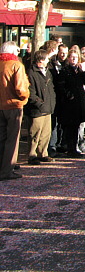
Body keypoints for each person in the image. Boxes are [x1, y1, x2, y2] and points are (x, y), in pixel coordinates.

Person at [0, 41, 30, 180]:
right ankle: (7, 169)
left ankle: (2, 166)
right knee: (12, 139)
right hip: (13, 105)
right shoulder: (16, 65)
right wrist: (25, 98)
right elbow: (21, 88)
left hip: (1, 105)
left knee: (2, 138)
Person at [55, 49, 85, 157]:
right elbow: (61, 86)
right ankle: (70, 149)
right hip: (69, 104)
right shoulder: (64, 70)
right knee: (70, 127)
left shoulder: (79, 71)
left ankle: (74, 148)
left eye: (76, 57)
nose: (74, 59)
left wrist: (83, 71)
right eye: (72, 57)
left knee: (76, 127)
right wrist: (69, 95)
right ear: (68, 58)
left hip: (79, 102)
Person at [25, 49, 56, 165]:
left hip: (47, 107)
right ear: (41, 60)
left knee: (45, 133)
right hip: (36, 109)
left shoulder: (47, 72)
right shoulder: (31, 72)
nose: (48, 60)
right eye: (47, 59)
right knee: (35, 133)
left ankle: (43, 153)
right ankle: (32, 155)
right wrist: (40, 103)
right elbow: (30, 92)